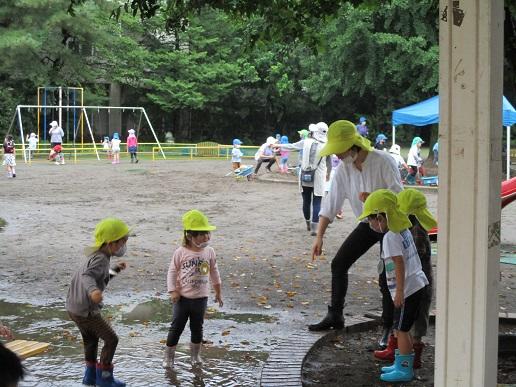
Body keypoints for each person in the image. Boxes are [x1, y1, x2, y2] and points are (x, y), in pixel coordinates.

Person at [309, 120, 403, 331]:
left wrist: (376, 198)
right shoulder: (344, 169)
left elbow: (400, 196)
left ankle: (390, 327)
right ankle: (335, 315)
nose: (337, 156)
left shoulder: (383, 161)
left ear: (354, 146)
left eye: (340, 151)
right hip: (368, 223)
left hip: (390, 225)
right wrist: (319, 236)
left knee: (386, 277)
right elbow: (331, 201)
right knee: (339, 264)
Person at [358, 189, 428, 382]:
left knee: (403, 330)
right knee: (399, 327)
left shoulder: (390, 237)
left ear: (380, 217)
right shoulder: (402, 229)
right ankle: (400, 363)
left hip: (408, 289)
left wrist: (399, 292)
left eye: (371, 220)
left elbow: (399, 262)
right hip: (415, 284)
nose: (370, 224)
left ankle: (404, 370)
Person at [375, 188, 437, 370]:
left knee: (410, 326)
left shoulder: (414, 229)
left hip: (413, 286)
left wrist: (400, 289)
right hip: (412, 284)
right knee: (403, 324)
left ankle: (408, 362)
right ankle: (399, 356)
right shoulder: (407, 227)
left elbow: (404, 261)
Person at [66, 218, 131, 387]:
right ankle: (104, 378)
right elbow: (87, 276)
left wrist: (116, 269)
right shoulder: (101, 259)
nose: (125, 245)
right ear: (111, 243)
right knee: (111, 339)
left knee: (91, 340)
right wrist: (93, 291)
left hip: (74, 308)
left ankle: (90, 378)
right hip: (86, 310)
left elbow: (101, 278)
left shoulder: (99, 256)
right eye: (123, 241)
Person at [163, 210, 223, 369]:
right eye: (202, 234)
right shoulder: (181, 252)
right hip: (182, 298)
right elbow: (172, 271)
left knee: (197, 328)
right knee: (176, 327)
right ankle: (169, 358)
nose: (207, 237)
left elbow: (214, 271)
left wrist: (218, 292)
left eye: (208, 233)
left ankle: (195, 356)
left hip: (201, 298)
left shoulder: (209, 251)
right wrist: (172, 290)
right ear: (190, 236)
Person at [276, 122, 331, 235]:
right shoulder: (328, 145)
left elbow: (292, 146)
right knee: (317, 202)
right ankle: (315, 229)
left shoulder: (306, 142)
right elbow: (329, 162)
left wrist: (278, 145)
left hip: (305, 175)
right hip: (319, 177)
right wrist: (328, 174)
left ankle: (308, 223)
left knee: (306, 201)